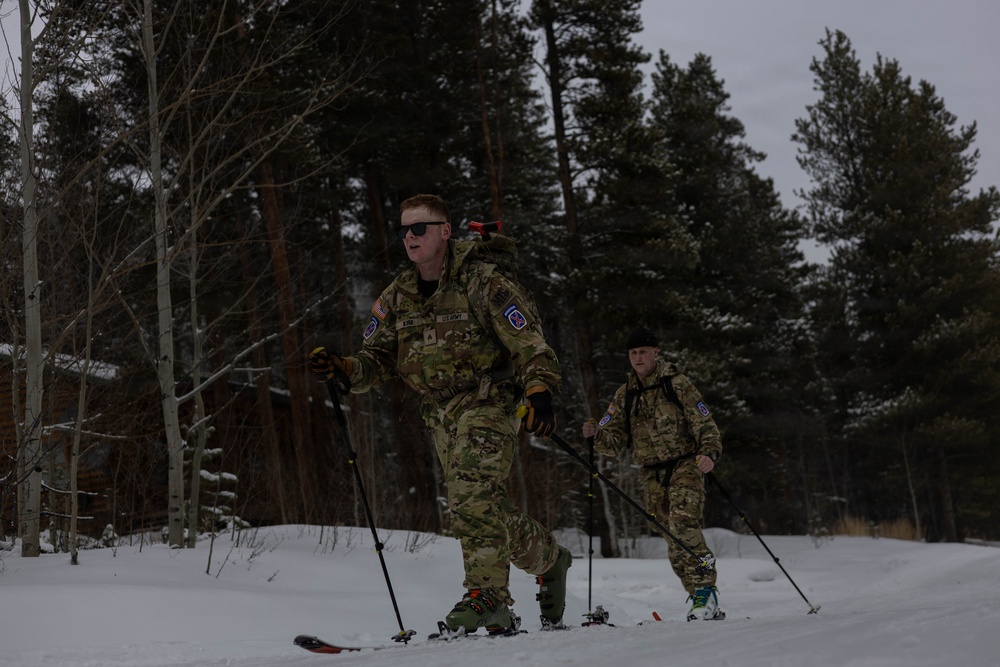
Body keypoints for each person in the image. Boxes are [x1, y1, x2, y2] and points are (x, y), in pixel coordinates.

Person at [310, 193, 572, 634]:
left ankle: (488, 597)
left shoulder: (483, 282)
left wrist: (539, 390)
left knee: (470, 491)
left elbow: (530, 345)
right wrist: (344, 369)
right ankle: (550, 559)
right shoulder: (397, 296)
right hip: (439, 415)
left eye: (420, 228)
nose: (409, 238)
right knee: (482, 508)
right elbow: (378, 359)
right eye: (403, 230)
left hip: (489, 400)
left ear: (445, 231)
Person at [582, 327, 724, 621]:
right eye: (633, 353)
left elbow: (705, 423)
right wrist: (596, 435)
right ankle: (697, 597)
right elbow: (614, 442)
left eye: (643, 352)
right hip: (651, 474)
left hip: (686, 464)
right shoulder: (625, 394)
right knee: (672, 540)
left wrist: (709, 453)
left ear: (655, 352)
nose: (638, 358)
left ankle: (706, 592)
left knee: (685, 526)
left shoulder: (677, 384)